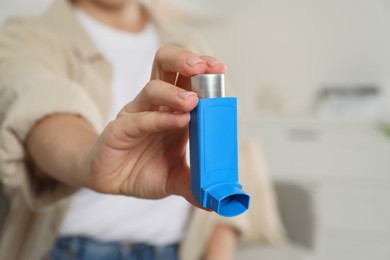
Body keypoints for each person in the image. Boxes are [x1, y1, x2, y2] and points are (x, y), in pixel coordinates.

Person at [0, 0, 286, 259]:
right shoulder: (26, 36)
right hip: (72, 250)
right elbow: (40, 105)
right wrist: (89, 160)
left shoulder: (190, 43)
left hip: (176, 252)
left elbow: (229, 165)